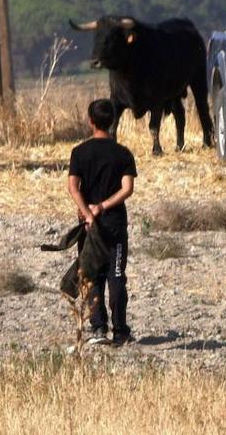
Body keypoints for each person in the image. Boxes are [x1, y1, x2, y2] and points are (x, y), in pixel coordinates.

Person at [67, 99, 137, 347]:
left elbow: (73, 187)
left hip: (89, 227)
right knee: (116, 275)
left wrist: (87, 213)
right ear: (112, 122)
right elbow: (127, 189)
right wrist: (104, 207)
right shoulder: (123, 153)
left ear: (90, 121)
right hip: (115, 224)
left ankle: (98, 328)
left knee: (91, 275)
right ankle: (120, 331)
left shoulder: (79, 152)